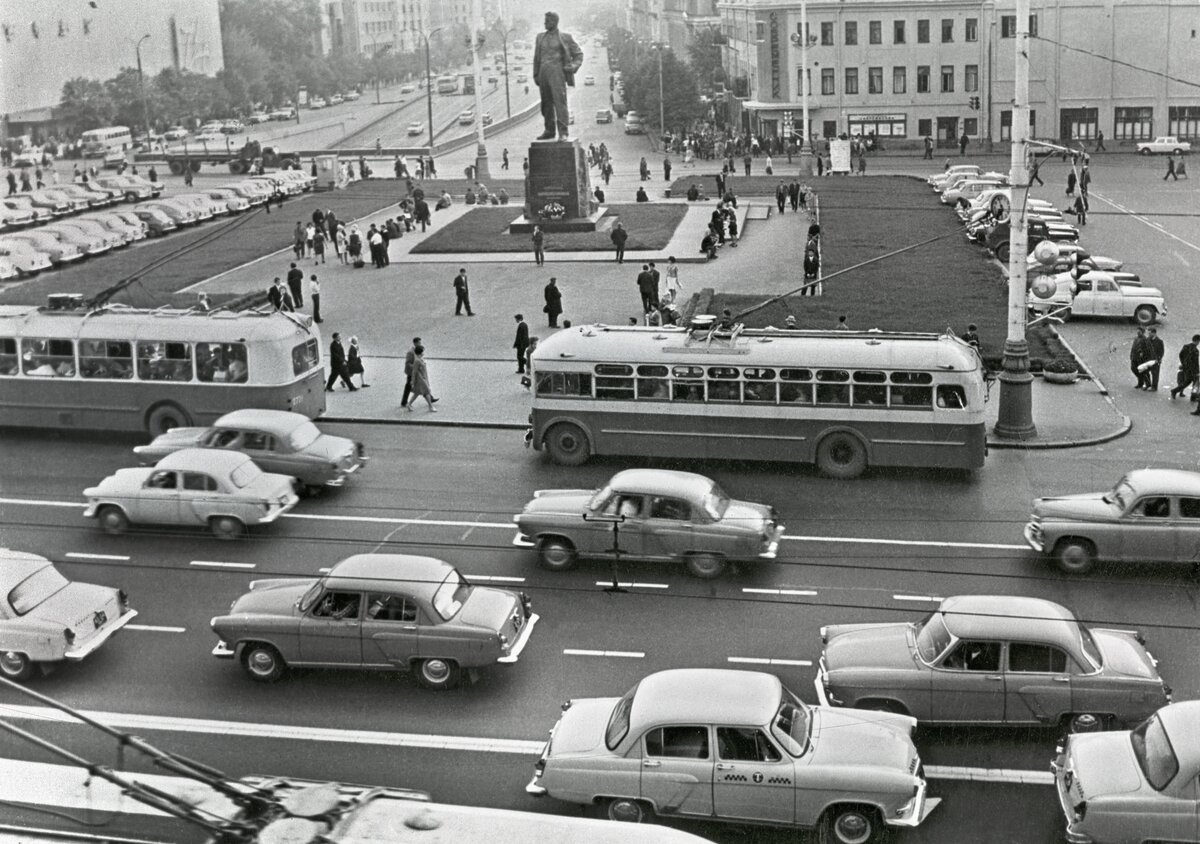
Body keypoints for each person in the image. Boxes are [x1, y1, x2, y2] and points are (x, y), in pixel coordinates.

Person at [533, 11, 583, 140]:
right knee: (546, 104)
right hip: (543, 72)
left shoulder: (565, 37)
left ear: (554, 22)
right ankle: (549, 130)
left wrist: (573, 66)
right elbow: (536, 58)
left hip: (557, 72)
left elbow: (578, 54)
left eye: (547, 21)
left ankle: (563, 132)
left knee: (560, 102)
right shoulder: (540, 37)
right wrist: (536, 74)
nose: (545, 23)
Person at [405, 345, 437, 411]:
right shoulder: (417, 361)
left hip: (423, 378)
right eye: (423, 352)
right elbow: (414, 371)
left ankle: (409, 404)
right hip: (420, 379)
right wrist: (412, 381)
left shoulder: (420, 359)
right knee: (427, 392)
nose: (423, 353)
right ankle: (430, 407)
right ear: (420, 352)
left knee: (417, 393)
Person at [1172, 334, 1200, 401]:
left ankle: (1175, 391)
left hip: (1186, 368)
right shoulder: (1196, 351)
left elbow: (1180, 354)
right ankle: (1193, 397)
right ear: (1197, 341)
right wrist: (1197, 371)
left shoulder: (1186, 346)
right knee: (1196, 383)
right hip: (1193, 370)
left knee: (1187, 382)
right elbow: (1196, 363)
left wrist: (1183, 363)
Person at [400, 337, 420, 409]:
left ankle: (430, 397)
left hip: (414, 371)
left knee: (422, 383)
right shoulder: (410, 352)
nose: (420, 344)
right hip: (410, 372)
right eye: (419, 343)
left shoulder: (415, 350)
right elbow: (408, 363)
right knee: (408, 386)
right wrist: (415, 367)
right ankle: (404, 402)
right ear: (415, 343)